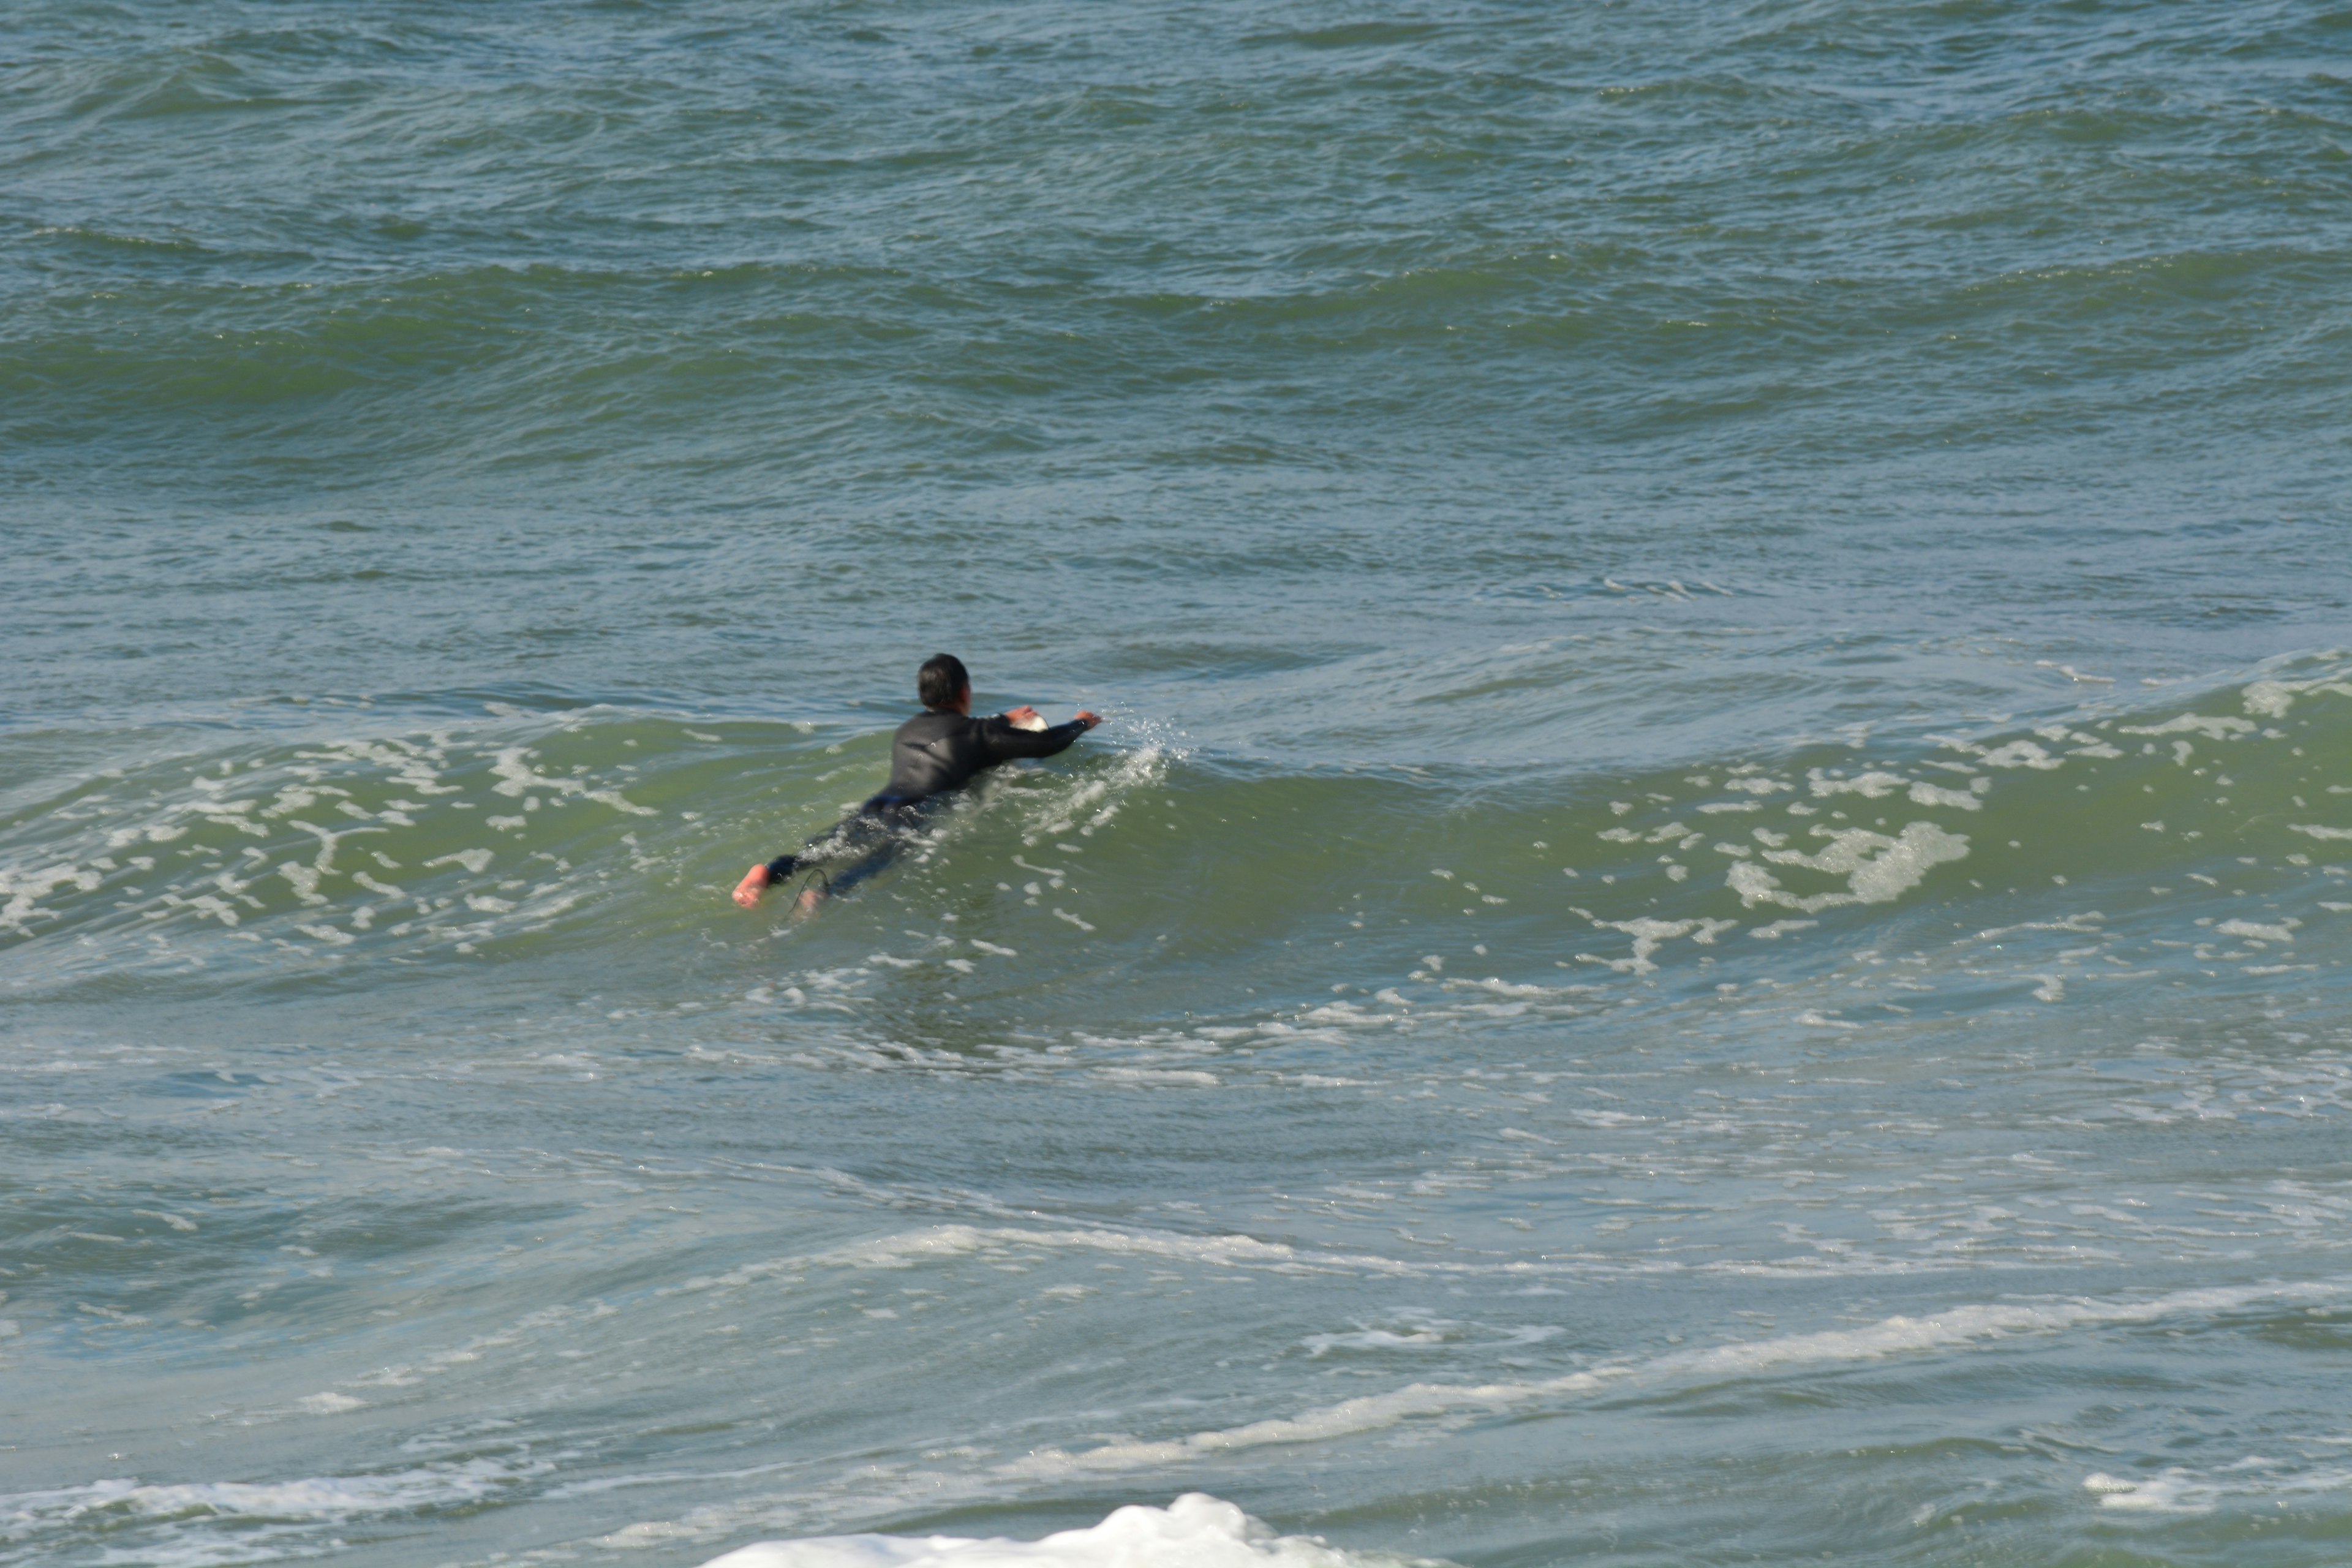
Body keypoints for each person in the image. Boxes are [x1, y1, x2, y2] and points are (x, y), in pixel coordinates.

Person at [733, 654, 1101, 913]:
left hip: (875, 806)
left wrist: (1005, 717)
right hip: (914, 813)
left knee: (819, 852)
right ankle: (825, 895)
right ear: (964, 693)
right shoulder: (978, 733)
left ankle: (768, 873)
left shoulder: (908, 728)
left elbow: (958, 731)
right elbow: (1046, 743)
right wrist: (1081, 723)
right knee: (880, 860)